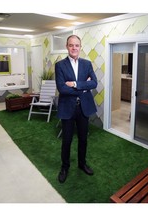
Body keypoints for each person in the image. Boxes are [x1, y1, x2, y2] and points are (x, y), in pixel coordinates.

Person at [55, 34, 98, 183]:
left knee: (83, 139)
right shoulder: (60, 65)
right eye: (71, 45)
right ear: (67, 47)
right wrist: (84, 87)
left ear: (80, 47)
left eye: (77, 45)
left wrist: (74, 84)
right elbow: (62, 89)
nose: (74, 48)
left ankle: (82, 164)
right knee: (66, 140)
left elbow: (94, 83)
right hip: (67, 108)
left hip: (83, 108)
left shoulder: (87, 64)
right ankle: (65, 167)